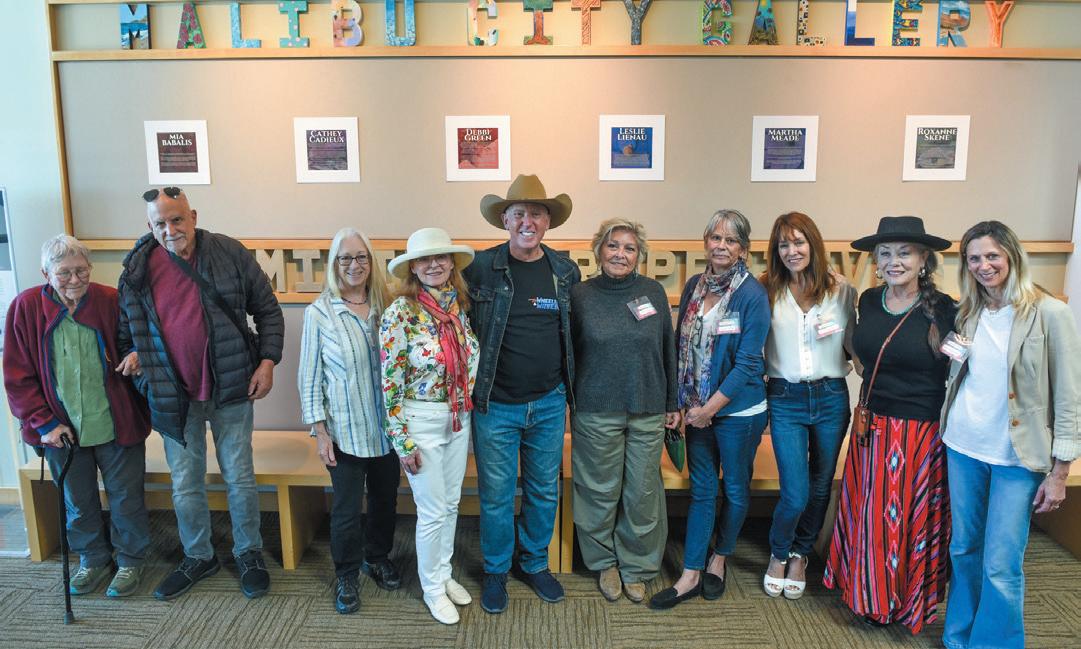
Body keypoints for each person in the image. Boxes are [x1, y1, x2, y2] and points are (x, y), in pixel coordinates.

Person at [117, 187, 284, 601]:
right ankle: (198, 555)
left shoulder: (229, 252)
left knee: (239, 477)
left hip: (231, 387)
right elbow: (126, 335)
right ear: (149, 225)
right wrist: (141, 366)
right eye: (160, 223)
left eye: (177, 219)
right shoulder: (136, 270)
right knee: (185, 483)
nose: (170, 229)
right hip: (174, 398)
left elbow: (267, 310)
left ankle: (248, 553)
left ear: (193, 216)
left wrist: (267, 362)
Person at [940, 221, 1081, 649]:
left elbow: (1069, 397)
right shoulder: (968, 311)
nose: (983, 266)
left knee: (1001, 563)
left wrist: (1060, 472)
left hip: (1017, 457)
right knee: (963, 549)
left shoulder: (1050, 312)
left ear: (1012, 256)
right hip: (963, 446)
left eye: (992, 256)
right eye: (974, 259)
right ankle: (958, 638)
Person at [823, 215, 955, 633]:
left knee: (903, 519)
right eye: (885, 254)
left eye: (904, 253)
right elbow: (861, 354)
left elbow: (962, 369)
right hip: (871, 426)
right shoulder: (868, 300)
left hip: (918, 433)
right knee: (870, 513)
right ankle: (869, 595)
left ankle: (903, 600)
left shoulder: (945, 309)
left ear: (923, 259)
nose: (893, 261)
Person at [4, 235, 151, 597]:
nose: (75, 280)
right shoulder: (26, 307)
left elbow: (143, 338)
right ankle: (92, 559)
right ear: (46, 273)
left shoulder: (111, 300)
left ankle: (131, 561)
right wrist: (43, 423)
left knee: (126, 498)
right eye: (64, 273)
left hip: (115, 421)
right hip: (61, 429)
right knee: (78, 501)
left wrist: (138, 354)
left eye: (82, 271)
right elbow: (18, 376)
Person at [463, 174, 581, 614]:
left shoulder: (565, 271)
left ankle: (533, 563)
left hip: (548, 403)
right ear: (505, 220)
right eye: (519, 214)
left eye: (536, 214)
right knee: (496, 495)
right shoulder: (479, 267)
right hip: (495, 404)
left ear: (548, 221)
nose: (527, 222)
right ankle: (496, 570)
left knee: (543, 491)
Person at [649, 209, 770, 610]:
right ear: (706, 242)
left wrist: (710, 409)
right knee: (702, 490)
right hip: (697, 409)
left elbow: (748, 364)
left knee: (734, 489)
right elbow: (681, 347)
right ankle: (690, 573)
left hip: (739, 414)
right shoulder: (695, 286)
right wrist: (680, 404)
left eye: (730, 240)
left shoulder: (752, 295)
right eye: (715, 238)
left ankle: (720, 557)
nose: (721, 246)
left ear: (743, 249)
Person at [570, 218, 678, 604]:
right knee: (598, 491)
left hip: (648, 406)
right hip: (595, 408)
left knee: (642, 492)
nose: (620, 254)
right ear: (599, 250)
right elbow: (569, 353)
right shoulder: (580, 295)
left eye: (629, 248)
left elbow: (667, 349)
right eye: (613, 245)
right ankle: (604, 563)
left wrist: (672, 403)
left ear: (639, 255)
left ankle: (637, 565)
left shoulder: (653, 292)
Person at [298, 227, 401, 615]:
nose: (354, 265)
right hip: (344, 432)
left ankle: (378, 557)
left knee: (385, 500)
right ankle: (346, 574)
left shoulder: (388, 307)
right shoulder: (319, 313)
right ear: (334, 264)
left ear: (371, 262)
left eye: (361, 257)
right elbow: (309, 377)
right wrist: (320, 432)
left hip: (387, 430)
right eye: (345, 258)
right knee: (345, 510)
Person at [380, 227, 479, 625]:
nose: (434, 264)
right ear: (413, 268)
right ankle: (432, 589)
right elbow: (389, 381)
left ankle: (443, 573)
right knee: (433, 511)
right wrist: (401, 441)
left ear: (452, 264)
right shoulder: (400, 313)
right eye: (425, 259)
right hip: (420, 420)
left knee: (451, 504)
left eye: (441, 257)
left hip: (457, 418)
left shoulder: (458, 309)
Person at [760, 212, 857, 600]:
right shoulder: (766, 288)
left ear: (813, 244)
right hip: (785, 398)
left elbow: (853, 344)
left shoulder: (842, 289)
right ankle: (779, 551)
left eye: (798, 242)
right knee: (795, 492)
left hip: (831, 395)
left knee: (820, 487)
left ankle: (800, 554)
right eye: (783, 244)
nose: (791, 251)